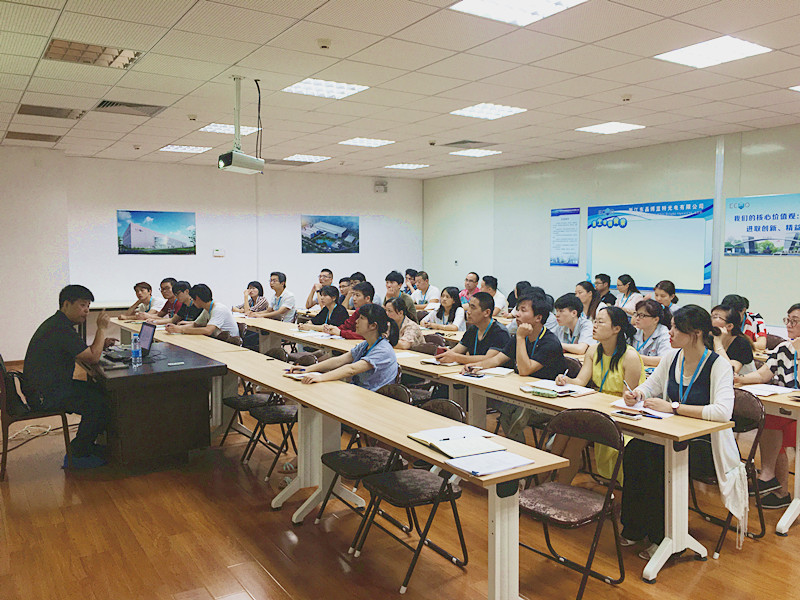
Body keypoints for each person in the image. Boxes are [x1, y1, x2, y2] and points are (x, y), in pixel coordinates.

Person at [621, 305, 746, 558]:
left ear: (695, 334)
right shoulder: (673, 357)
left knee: (657, 460)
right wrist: (637, 394)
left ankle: (663, 535)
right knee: (635, 449)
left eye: (677, 328)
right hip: (671, 436)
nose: (670, 332)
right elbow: (651, 385)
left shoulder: (718, 365)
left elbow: (722, 412)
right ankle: (635, 526)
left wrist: (674, 407)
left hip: (705, 445)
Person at [22, 285, 117, 468]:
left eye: (88, 306)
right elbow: (92, 357)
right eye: (82, 305)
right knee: (99, 403)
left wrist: (100, 344)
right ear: (66, 304)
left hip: (46, 388)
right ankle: (78, 455)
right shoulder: (60, 329)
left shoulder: (57, 324)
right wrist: (101, 329)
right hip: (46, 395)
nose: (87, 311)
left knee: (100, 391)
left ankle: (87, 444)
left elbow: (83, 352)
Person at [554, 305, 644, 483]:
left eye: (600, 322)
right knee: (566, 430)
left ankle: (552, 484)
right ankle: (547, 483)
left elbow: (627, 399)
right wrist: (565, 380)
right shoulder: (593, 350)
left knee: (575, 436)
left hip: (621, 414)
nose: (594, 326)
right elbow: (580, 381)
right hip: (598, 407)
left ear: (616, 329)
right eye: (595, 321)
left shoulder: (630, 357)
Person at [467, 294, 566, 442]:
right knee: (501, 405)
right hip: (521, 395)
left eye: (523, 310)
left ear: (538, 318)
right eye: (517, 309)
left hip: (546, 402)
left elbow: (525, 370)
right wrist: (475, 366)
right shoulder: (519, 337)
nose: (517, 314)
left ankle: (516, 448)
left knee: (514, 412)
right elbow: (497, 359)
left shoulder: (549, 343)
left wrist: (520, 338)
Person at [733, 303, 800, 509]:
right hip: (786, 410)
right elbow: (763, 374)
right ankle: (778, 488)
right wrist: (741, 379)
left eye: (795, 321)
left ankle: (771, 479)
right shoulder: (784, 348)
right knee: (771, 418)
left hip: (793, 413)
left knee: (774, 421)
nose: (789, 325)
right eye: (787, 320)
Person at [291, 303, 399, 391]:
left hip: (373, 397)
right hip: (359, 391)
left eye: (361, 318)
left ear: (373, 326)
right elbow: (339, 360)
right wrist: (308, 369)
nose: (356, 321)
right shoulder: (366, 344)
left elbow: (351, 369)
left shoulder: (383, 350)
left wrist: (321, 377)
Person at [435, 292, 510, 365]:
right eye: (469, 306)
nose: (468, 312)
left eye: (473, 307)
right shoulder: (473, 329)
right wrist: (446, 354)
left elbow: (489, 359)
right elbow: (457, 350)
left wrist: (456, 357)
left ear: (487, 312)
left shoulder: (500, 332)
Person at [165, 283, 240, 340]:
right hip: (217, 340)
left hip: (229, 343)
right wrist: (176, 327)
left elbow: (208, 331)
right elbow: (195, 325)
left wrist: (181, 329)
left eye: (193, 299)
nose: (192, 302)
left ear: (197, 298)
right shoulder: (207, 309)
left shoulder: (218, 309)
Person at [711, 305, 756, 375]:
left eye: (715, 317)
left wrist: (718, 343)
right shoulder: (708, 339)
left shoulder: (741, 344)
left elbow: (729, 372)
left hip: (742, 381)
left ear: (729, 326)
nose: (710, 320)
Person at [632, 299, 671, 367]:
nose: (637, 318)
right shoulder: (635, 331)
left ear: (656, 320)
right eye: (636, 314)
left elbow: (665, 360)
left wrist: (634, 357)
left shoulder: (665, 334)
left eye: (642, 315)